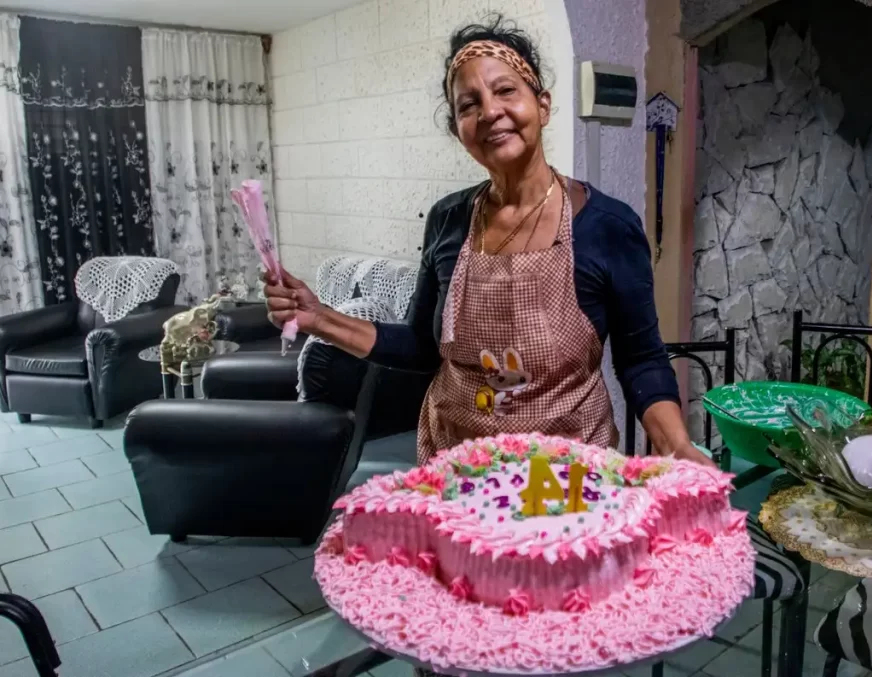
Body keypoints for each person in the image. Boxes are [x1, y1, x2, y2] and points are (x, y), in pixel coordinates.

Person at [264, 16, 712, 469]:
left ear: (543, 105)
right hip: (457, 468)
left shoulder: (608, 225)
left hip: (569, 476)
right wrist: (318, 318)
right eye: (468, 104)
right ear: (458, 128)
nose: (490, 112)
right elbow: (421, 346)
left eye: (505, 91)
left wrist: (675, 445)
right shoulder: (447, 220)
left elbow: (641, 359)